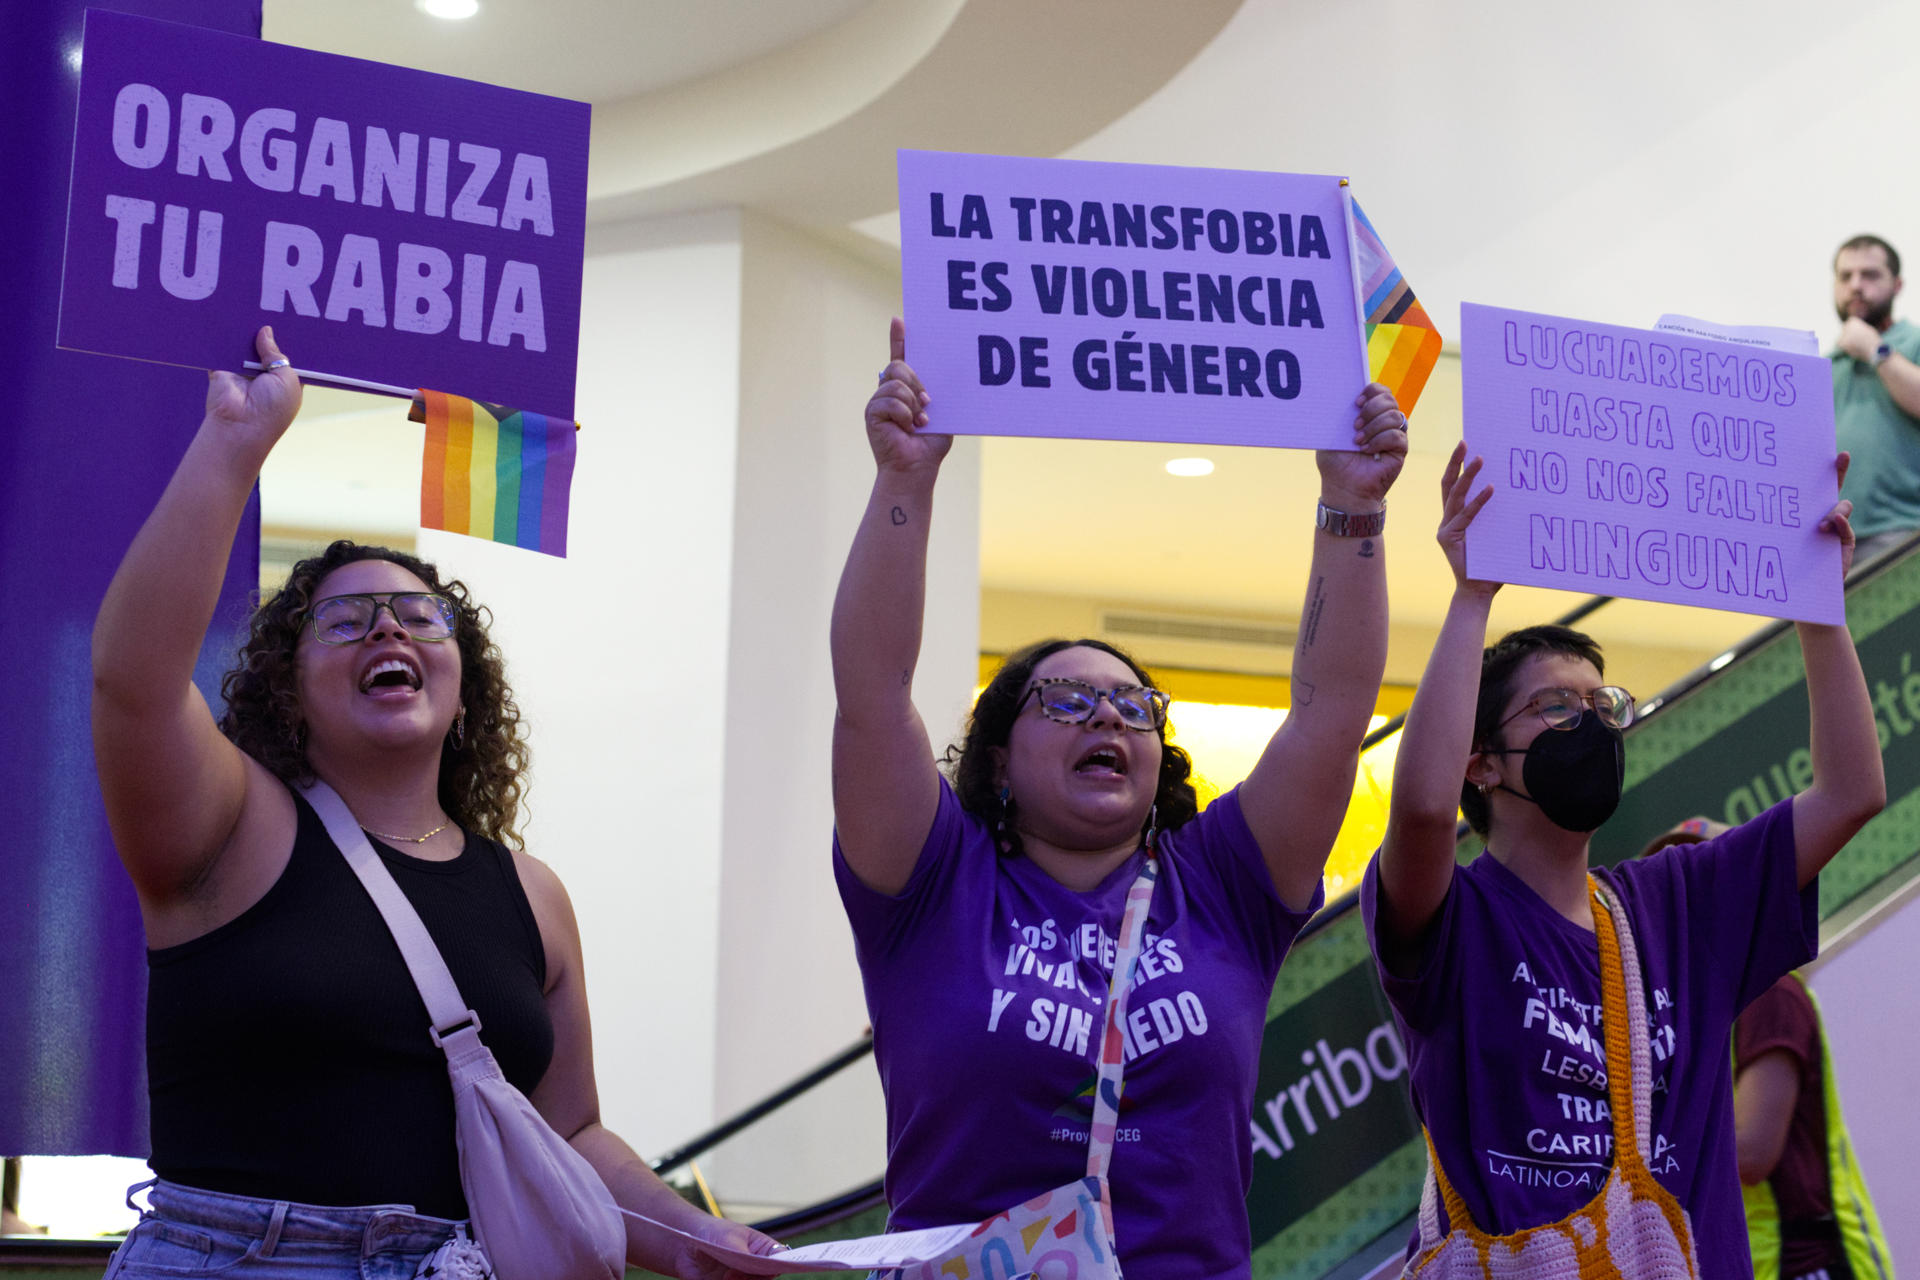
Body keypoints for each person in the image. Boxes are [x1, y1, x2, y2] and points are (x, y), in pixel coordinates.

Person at [90, 328, 772, 1280]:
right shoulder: (231, 825)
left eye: (419, 616)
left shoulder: (534, 895)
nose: (385, 626)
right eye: (342, 619)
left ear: (463, 687)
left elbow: (570, 1130)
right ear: (287, 692)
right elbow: (134, 683)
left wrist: (707, 1244)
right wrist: (234, 445)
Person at [829, 319, 1407, 1278]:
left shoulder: (1224, 884)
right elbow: (871, 691)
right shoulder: (932, 883)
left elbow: (1331, 712)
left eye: (1134, 705)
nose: (1108, 716)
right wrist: (904, 483)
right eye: (1067, 700)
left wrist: (1351, 506)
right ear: (1001, 759)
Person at [1363, 443, 1885, 1278]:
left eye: (1604, 705)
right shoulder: (1458, 921)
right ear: (1481, 762)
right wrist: (1470, 596)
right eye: (1555, 707)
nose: (1594, 725)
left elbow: (1852, 790)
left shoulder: (1679, 901)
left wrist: (1820, 610)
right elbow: (1422, 811)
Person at [1638, 820, 1894, 1280]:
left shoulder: (1767, 992)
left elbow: (1753, 1150)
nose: (1688, 894)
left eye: (1706, 872)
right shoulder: (1699, 1004)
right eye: (1676, 882)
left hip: (1811, 1263)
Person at [1832, 234, 1920, 563]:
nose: (1856, 286)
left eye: (1870, 275)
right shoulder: (1826, 367)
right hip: (1834, 544)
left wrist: (1875, 349)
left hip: (1905, 535)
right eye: (1845, 276)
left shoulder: (1913, 342)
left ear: (1897, 285)